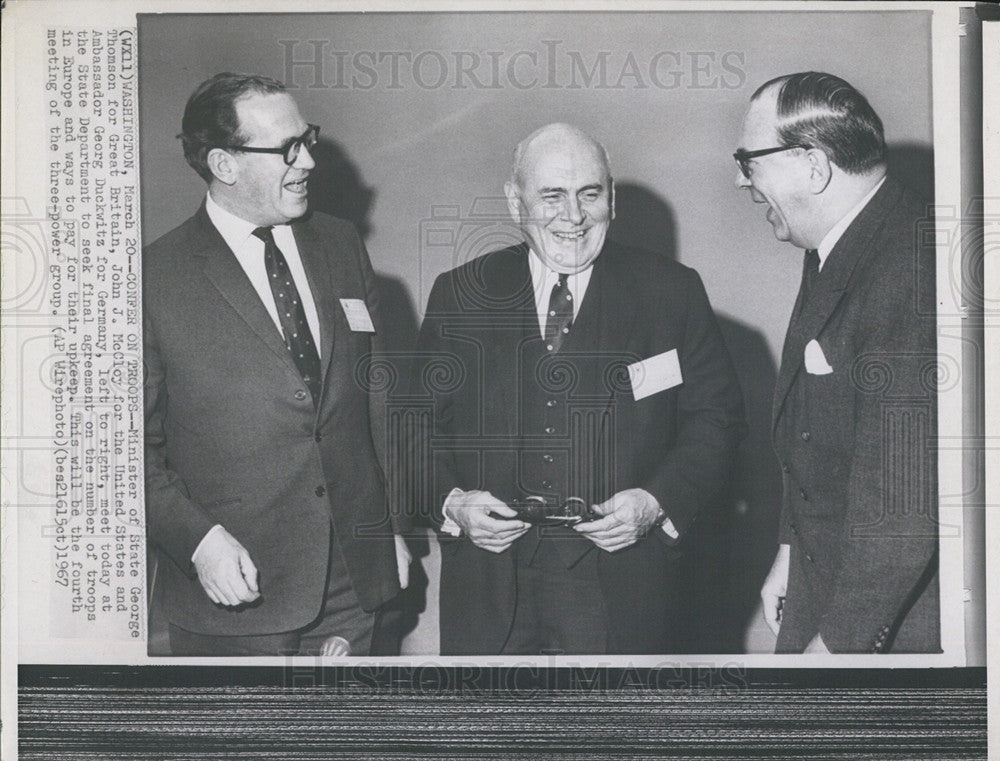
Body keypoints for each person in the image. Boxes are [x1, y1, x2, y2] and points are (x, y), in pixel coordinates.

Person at [412, 123, 745, 655]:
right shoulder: (460, 294)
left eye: (590, 194)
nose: (573, 216)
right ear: (515, 202)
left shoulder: (672, 291)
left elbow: (717, 421)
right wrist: (453, 504)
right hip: (489, 590)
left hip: (623, 585)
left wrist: (657, 501)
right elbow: (413, 430)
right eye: (552, 196)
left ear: (611, 199)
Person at [144, 72, 409, 656]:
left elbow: (377, 396)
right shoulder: (151, 279)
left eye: (307, 138)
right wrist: (198, 541)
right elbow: (124, 450)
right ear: (225, 163)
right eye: (288, 147)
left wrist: (392, 524)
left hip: (355, 586)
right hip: (235, 594)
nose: (309, 160)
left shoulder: (340, 245)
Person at [735, 72, 939, 653]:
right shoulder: (842, 241)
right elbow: (813, 428)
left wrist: (838, 651)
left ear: (814, 166)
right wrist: (790, 550)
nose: (740, 177)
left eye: (750, 159)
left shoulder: (912, 268)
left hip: (882, 626)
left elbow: (901, 512)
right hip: (823, 587)